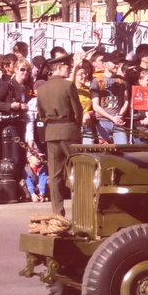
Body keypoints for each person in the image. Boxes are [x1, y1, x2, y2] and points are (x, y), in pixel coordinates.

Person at [36, 54, 83, 216]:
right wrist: (77, 127)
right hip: (69, 131)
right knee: (78, 171)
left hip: (51, 133)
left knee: (54, 175)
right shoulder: (67, 86)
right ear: (59, 68)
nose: (69, 69)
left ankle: (57, 213)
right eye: (67, 67)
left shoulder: (41, 89)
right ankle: (80, 211)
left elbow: (41, 114)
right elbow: (78, 111)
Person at [91, 51, 130, 145]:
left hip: (118, 121)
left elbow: (126, 101)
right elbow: (95, 106)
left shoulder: (122, 80)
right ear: (105, 64)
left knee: (123, 148)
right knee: (104, 149)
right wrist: (112, 118)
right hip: (102, 121)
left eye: (118, 63)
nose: (117, 65)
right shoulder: (97, 81)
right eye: (114, 63)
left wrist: (119, 115)